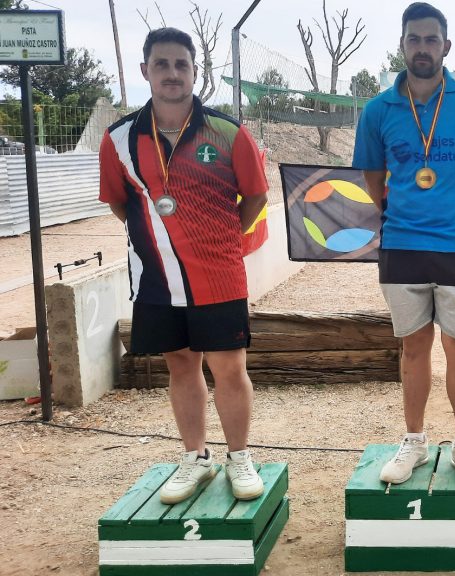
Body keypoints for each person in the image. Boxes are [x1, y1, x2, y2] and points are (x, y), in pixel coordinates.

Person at [98, 28, 268, 504]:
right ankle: (196, 457)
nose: (172, 73)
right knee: (180, 365)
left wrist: (222, 239)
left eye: (181, 65)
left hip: (219, 276)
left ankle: (239, 457)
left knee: (229, 367)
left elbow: (256, 197)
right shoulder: (118, 139)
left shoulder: (228, 132)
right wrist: (161, 240)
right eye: (162, 64)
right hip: (156, 277)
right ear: (145, 71)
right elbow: (118, 203)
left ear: (195, 71)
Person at [352, 2, 455, 488]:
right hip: (402, 246)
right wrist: (403, 212)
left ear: (446, 46)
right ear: (402, 45)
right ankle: (415, 441)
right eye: (414, 39)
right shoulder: (378, 110)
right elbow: (372, 178)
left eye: (431, 39)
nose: (423, 48)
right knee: (413, 348)